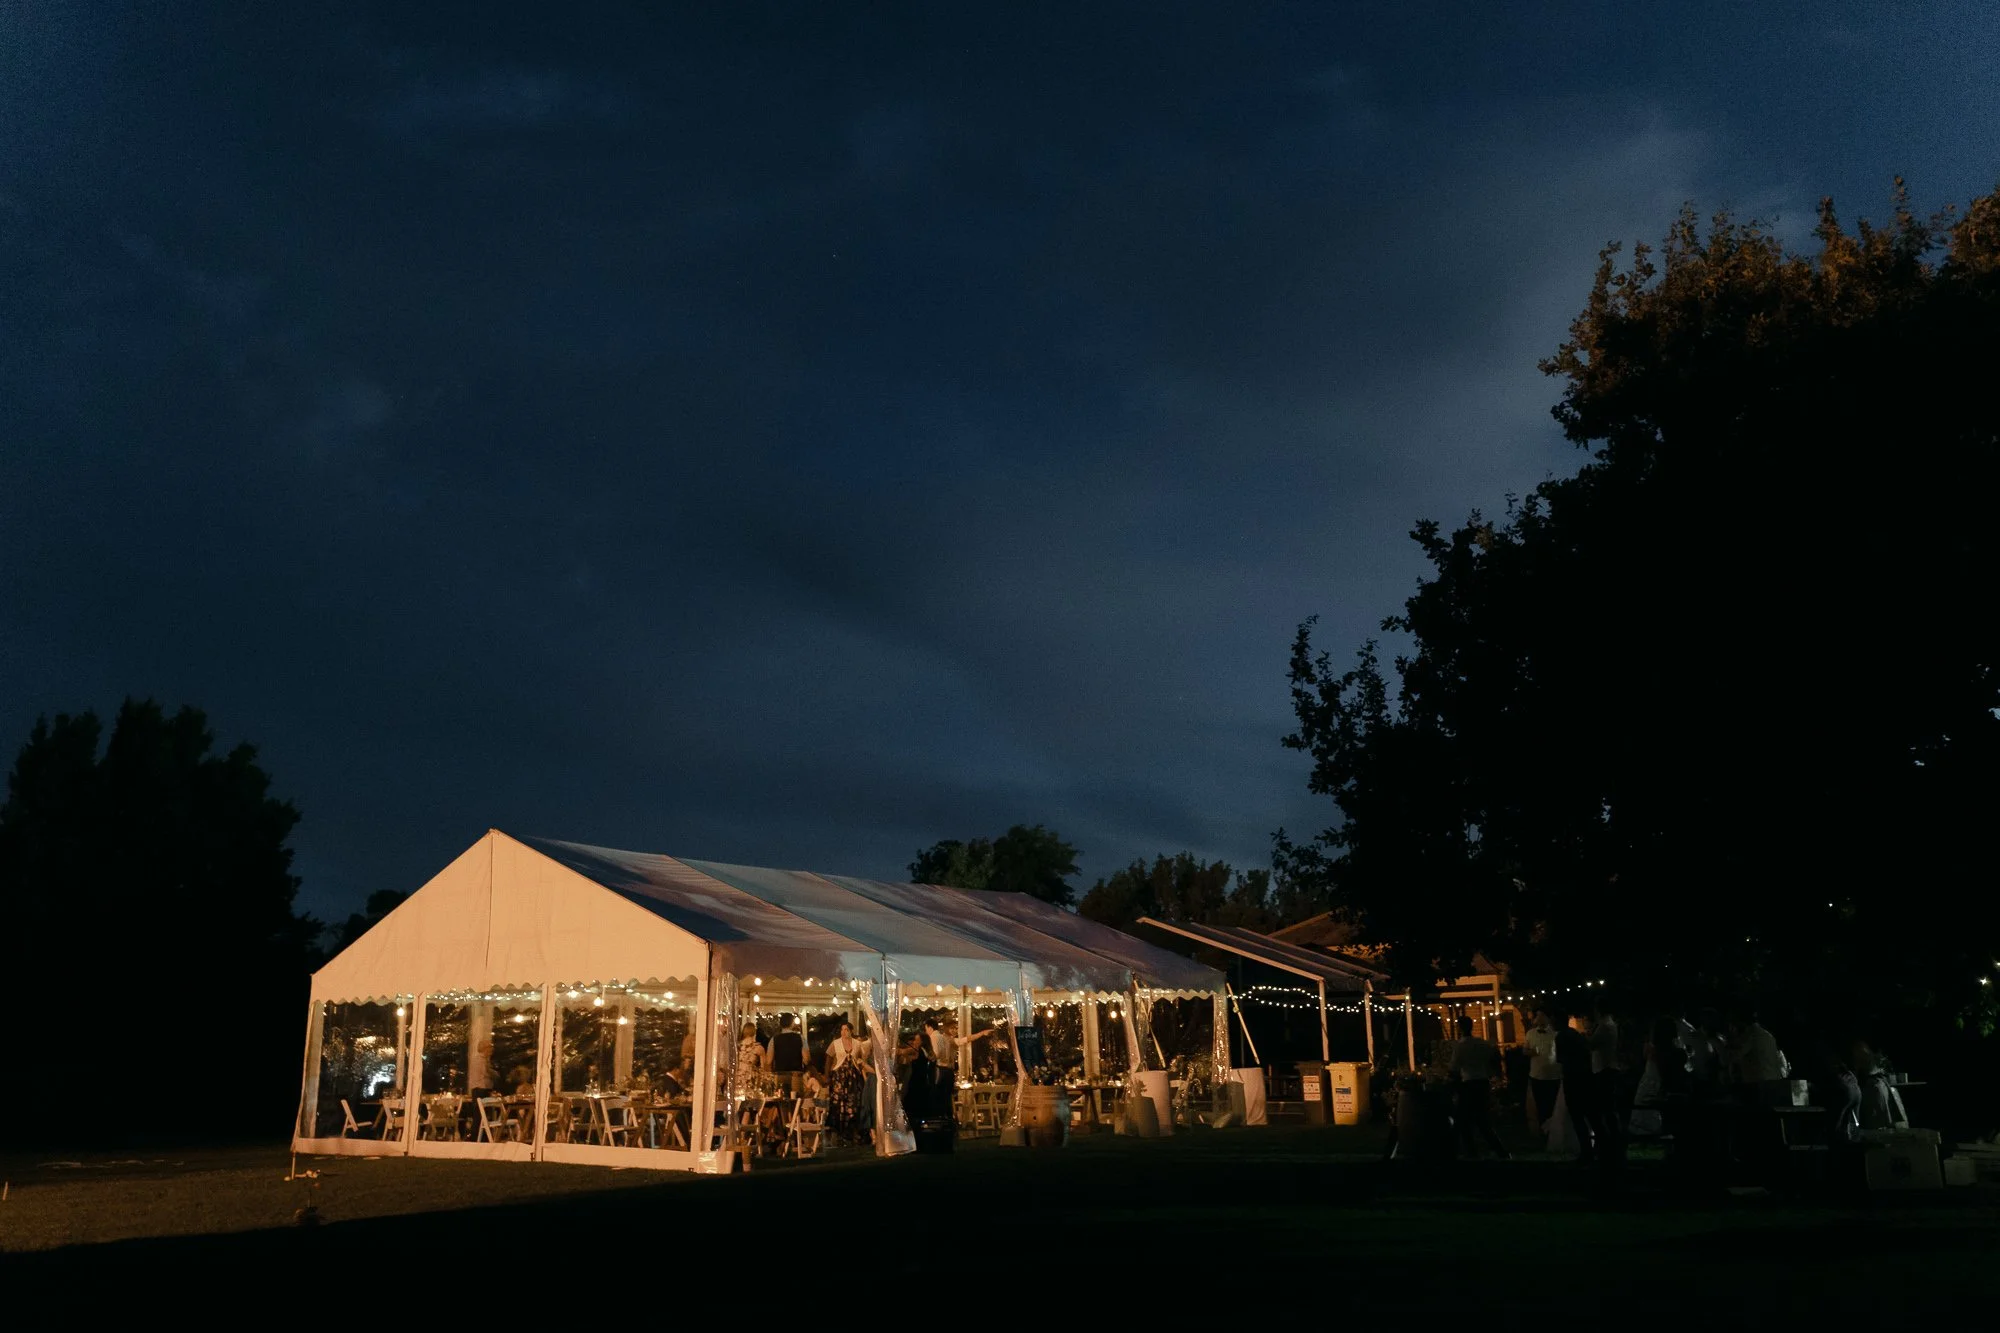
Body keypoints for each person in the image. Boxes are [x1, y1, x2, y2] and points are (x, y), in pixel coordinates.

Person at [1448, 1015, 1509, 1159]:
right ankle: (1498, 1150)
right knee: (1482, 1119)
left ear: (1460, 1028)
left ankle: (1470, 1152)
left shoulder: (1460, 1046)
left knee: (1463, 1120)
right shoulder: (1482, 1043)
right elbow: (1495, 1057)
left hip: (1468, 1083)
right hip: (1482, 1082)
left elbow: (1454, 1068)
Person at [1522, 1008, 1562, 1134]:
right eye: (1537, 1015)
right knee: (1540, 1105)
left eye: (1541, 1015)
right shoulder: (1530, 1033)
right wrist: (1530, 1052)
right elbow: (1525, 1050)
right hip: (1536, 1075)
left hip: (1554, 1075)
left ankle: (1554, 1131)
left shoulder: (1555, 1033)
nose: (1538, 1018)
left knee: (1554, 1104)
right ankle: (1543, 1131)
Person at [769, 1014, 805, 1096]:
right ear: (792, 1023)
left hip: (780, 1074)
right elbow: (807, 1058)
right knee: (796, 1102)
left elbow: (768, 1060)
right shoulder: (800, 1038)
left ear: (780, 1024)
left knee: (781, 1100)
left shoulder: (773, 1039)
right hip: (796, 1074)